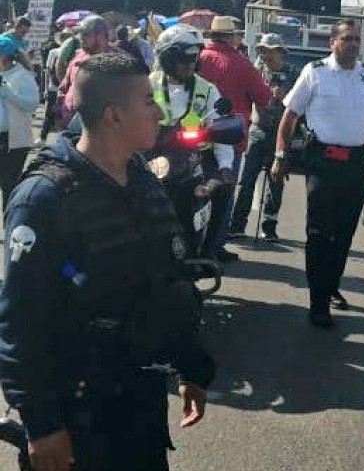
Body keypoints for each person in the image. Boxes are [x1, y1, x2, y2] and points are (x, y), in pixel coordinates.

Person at [0, 53, 214, 471]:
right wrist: (42, 426)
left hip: (138, 402)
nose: (158, 111)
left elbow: (166, 282)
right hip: (76, 415)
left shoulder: (144, 180)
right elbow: (21, 321)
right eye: (148, 101)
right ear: (114, 115)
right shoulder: (44, 200)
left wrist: (191, 365)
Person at [271, 19, 364, 328]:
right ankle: (318, 302)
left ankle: (330, 282)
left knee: (344, 232)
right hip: (323, 161)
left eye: (355, 39)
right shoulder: (315, 73)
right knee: (319, 232)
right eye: (346, 39)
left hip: (356, 163)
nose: (352, 44)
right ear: (332, 43)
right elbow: (290, 116)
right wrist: (280, 155)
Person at [151, 24, 236, 258]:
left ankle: (206, 252)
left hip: (194, 159)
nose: (190, 63)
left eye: (193, 58)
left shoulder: (208, 90)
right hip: (153, 158)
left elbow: (220, 131)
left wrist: (226, 166)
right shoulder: (147, 85)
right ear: (167, 58)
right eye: (183, 58)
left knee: (218, 191)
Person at [198, 15, 272, 262]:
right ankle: (215, 245)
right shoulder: (240, 63)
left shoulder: (197, 58)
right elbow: (263, 97)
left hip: (191, 139)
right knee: (223, 195)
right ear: (231, 38)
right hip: (228, 139)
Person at [230, 33, 298, 241]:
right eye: (262, 50)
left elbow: (300, 104)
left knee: (276, 181)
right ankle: (238, 225)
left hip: (280, 134)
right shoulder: (256, 71)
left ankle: (269, 227)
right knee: (246, 180)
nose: (265, 54)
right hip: (257, 130)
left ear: (279, 52)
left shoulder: (293, 73)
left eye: (269, 50)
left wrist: (284, 96)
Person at [0, 35, 39, 211]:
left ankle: (11, 225)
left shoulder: (22, 75)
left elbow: (32, 104)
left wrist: (7, 92)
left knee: (8, 185)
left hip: (13, 141)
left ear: (4, 56)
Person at [58, 15, 117, 129]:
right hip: (68, 125)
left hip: (99, 130)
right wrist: (60, 110)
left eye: (85, 34)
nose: (81, 38)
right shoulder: (78, 58)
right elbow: (64, 86)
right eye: (80, 34)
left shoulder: (117, 61)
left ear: (100, 36)